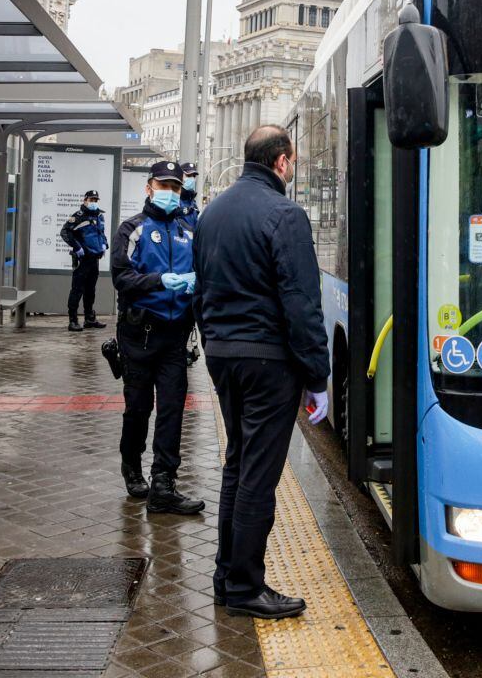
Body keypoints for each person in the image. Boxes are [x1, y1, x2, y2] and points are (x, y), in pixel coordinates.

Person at [192, 125, 330, 619]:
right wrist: (317, 376)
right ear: (282, 162)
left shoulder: (212, 213)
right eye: (292, 161)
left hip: (223, 355)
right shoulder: (285, 214)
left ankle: (226, 577)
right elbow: (301, 303)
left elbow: (201, 290)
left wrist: (214, 343)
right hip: (268, 361)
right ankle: (246, 587)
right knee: (258, 475)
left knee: (237, 464)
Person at [110, 161, 204, 516]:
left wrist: (196, 286)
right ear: (149, 187)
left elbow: (203, 272)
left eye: (175, 187)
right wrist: (159, 281)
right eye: (164, 185)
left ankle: (163, 483)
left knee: (172, 408)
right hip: (138, 334)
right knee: (138, 408)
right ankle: (132, 465)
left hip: (174, 335)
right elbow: (121, 277)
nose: (170, 192)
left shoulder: (189, 230)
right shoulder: (132, 229)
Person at [60, 190, 109, 332]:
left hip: (94, 259)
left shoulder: (99, 216)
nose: (93, 202)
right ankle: (73, 321)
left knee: (90, 290)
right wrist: (77, 247)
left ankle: (89, 319)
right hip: (82, 259)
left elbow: (101, 233)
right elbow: (65, 232)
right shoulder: (79, 216)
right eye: (91, 200)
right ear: (85, 200)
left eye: (95, 200)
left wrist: (104, 244)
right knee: (77, 290)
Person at [179, 162, 201, 231]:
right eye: (188, 175)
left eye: (193, 176)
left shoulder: (192, 202)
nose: (192, 179)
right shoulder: (174, 200)